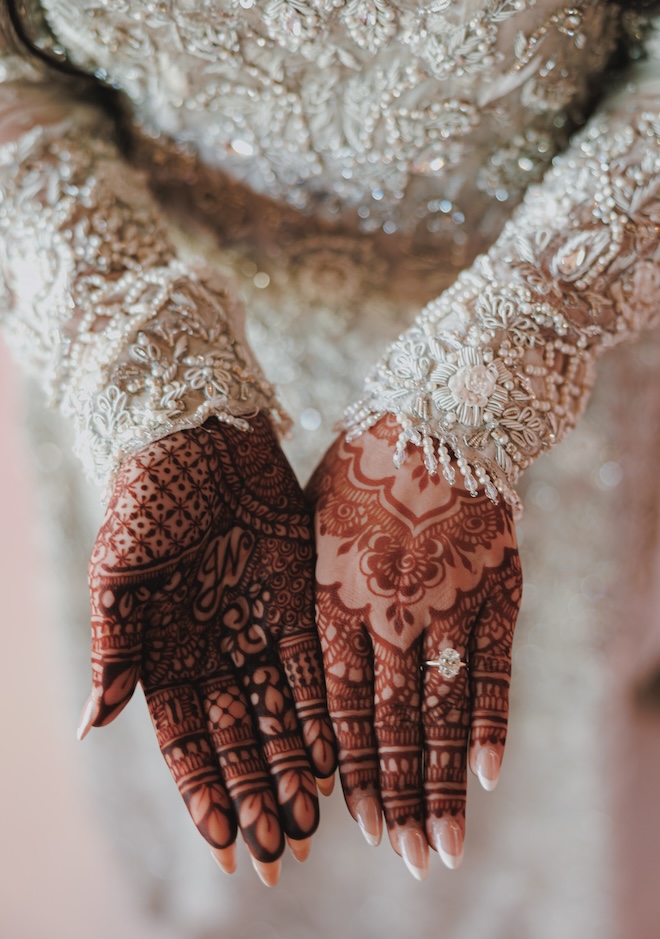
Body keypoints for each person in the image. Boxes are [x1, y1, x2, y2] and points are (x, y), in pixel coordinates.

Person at [0, 0, 658, 932]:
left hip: (547, 354)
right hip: (141, 369)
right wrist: (148, 381)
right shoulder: (148, 396)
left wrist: (484, 385)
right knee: (231, 760)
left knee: (539, 774)